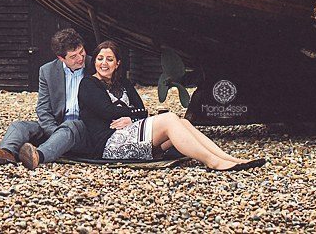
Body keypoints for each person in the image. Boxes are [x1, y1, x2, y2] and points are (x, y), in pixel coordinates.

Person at [77, 40, 266, 172]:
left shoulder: (123, 83)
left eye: (109, 59)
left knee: (182, 123)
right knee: (168, 119)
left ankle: (228, 158)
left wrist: (131, 117)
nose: (104, 63)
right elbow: (106, 111)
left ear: (117, 64)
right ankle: (213, 162)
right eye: (100, 59)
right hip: (109, 144)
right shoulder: (88, 84)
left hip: (131, 135)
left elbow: (142, 109)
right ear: (94, 62)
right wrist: (132, 114)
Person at [0, 28, 92, 170]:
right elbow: (43, 108)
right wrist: (55, 132)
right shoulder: (47, 71)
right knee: (19, 126)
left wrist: (62, 134)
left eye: (81, 52)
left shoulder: (95, 66)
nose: (80, 58)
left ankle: (37, 156)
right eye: (73, 56)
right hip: (56, 125)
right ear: (61, 58)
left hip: (82, 129)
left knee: (69, 128)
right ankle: (6, 153)